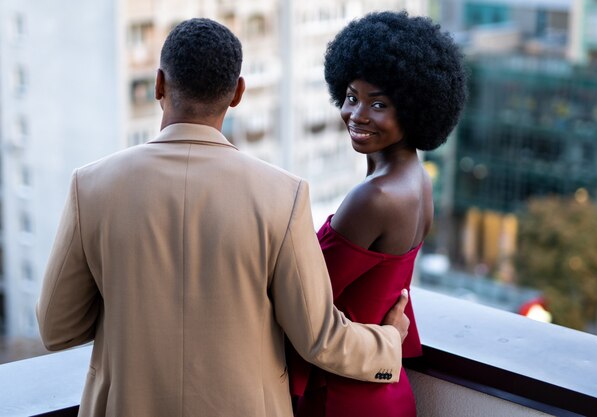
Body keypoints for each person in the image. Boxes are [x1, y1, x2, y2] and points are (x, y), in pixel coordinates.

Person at [36, 18, 411, 417]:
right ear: (237, 93)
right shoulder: (282, 196)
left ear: (159, 84)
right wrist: (389, 341)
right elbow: (319, 339)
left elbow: (57, 329)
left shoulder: (90, 187)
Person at [288, 11, 467, 417]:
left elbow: (303, 296)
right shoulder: (417, 181)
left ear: (416, 110)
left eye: (379, 103)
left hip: (343, 394)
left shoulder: (376, 196)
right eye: (352, 97)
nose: (358, 115)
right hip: (387, 389)